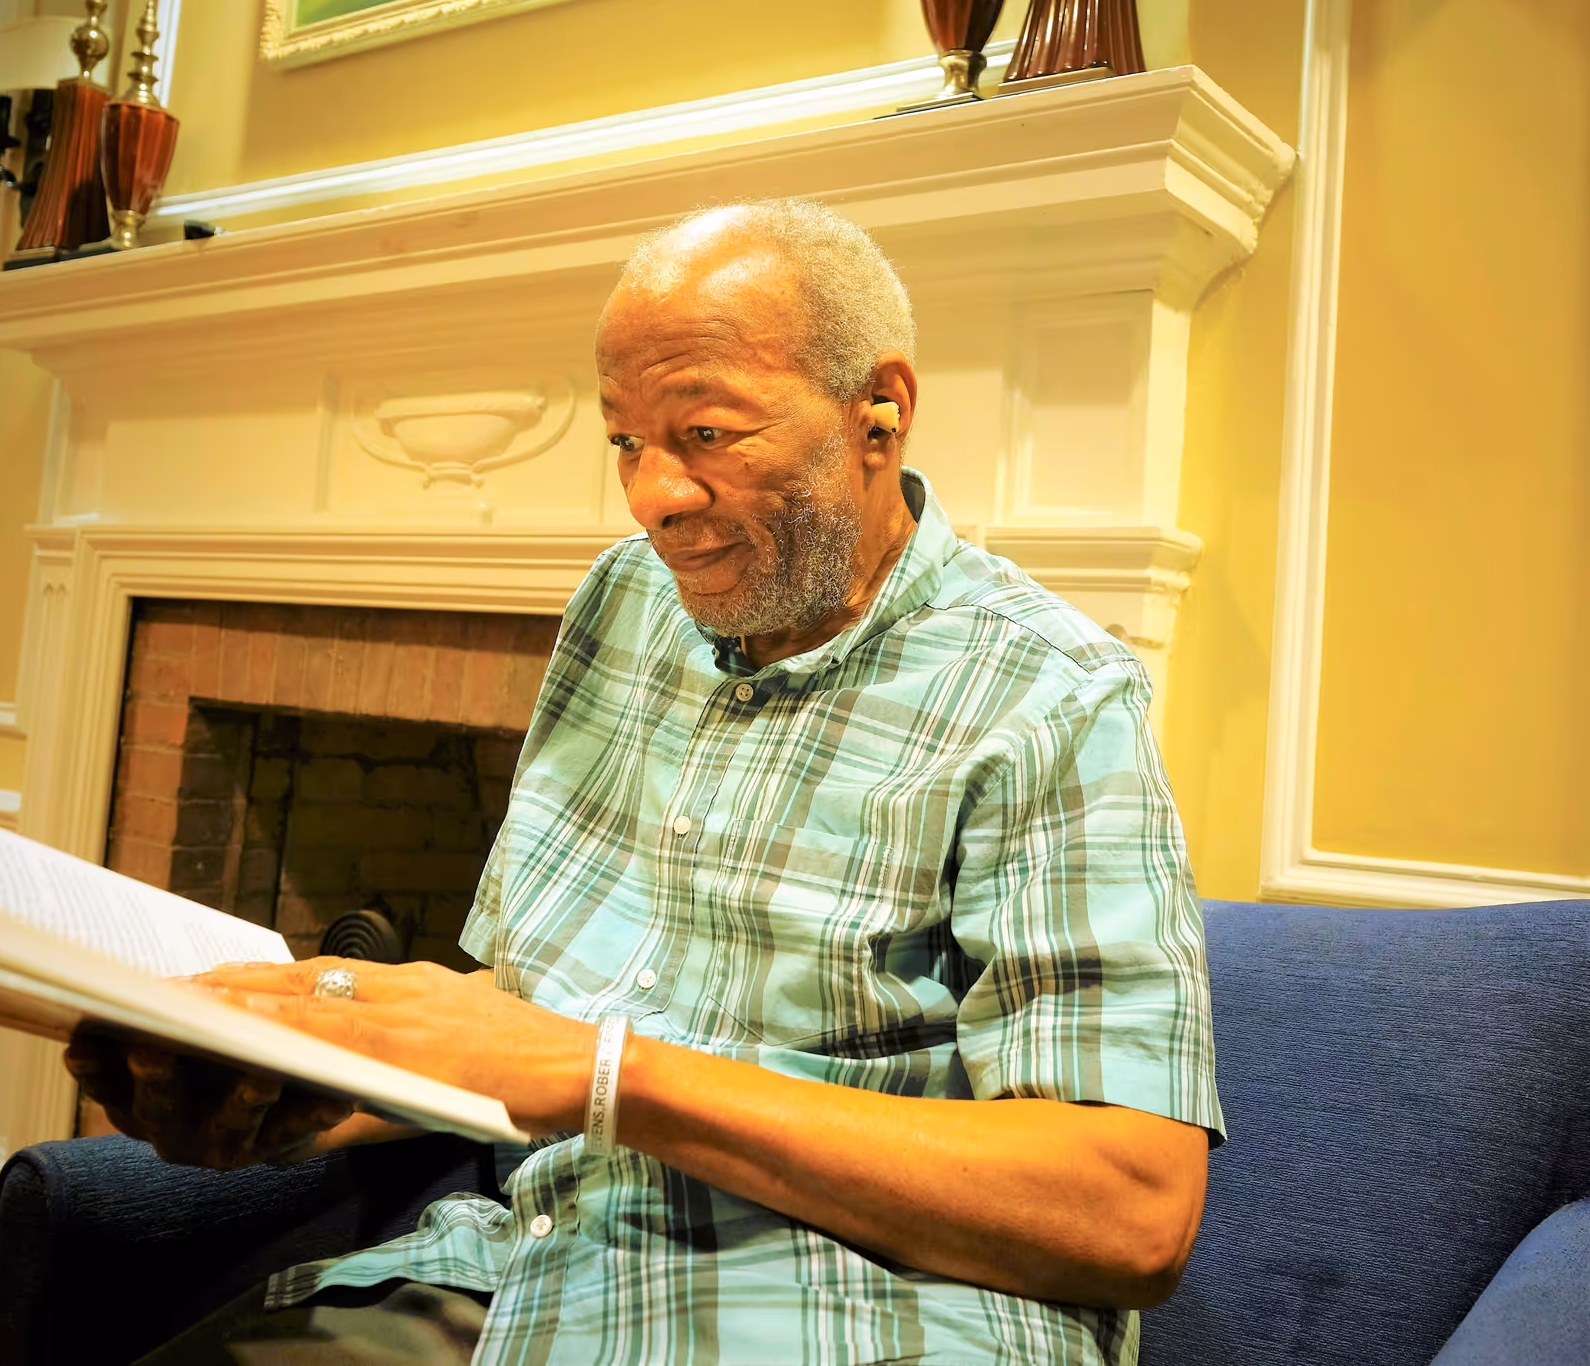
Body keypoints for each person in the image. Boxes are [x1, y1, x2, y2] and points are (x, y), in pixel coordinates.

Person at [69, 199, 1225, 1365]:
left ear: (881, 412)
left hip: (865, 1312)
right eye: (625, 440)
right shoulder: (623, 605)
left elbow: (1134, 1211)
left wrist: (602, 1073)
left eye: (707, 433)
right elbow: (518, 1028)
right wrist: (298, 1096)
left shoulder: (1055, 696)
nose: (651, 496)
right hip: (531, 1270)